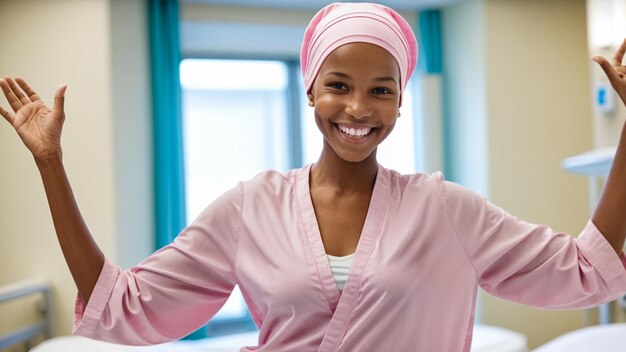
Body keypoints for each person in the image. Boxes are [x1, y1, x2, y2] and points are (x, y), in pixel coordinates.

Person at [2, 2, 626, 351]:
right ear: (309, 89)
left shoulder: (446, 210)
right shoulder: (250, 208)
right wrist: (51, 165)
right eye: (338, 86)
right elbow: (126, 304)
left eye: (381, 91)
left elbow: (584, 269)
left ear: (400, 103)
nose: (358, 109)